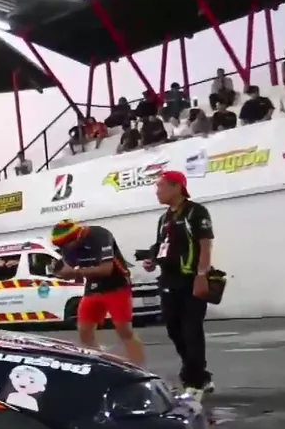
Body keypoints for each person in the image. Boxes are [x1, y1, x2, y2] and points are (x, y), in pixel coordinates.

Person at [143, 171, 215, 399]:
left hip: (191, 280)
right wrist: (152, 261)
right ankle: (200, 375)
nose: (157, 191)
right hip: (168, 280)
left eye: (161, 186)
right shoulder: (164, 218)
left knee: (192, 331)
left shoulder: (196, 212)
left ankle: (193, 383)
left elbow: (205, 245)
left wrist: (202, 274)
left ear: (176, 187)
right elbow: (161, 245)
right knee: (174, 331)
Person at [49, 220, 146, 366]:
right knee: (84, 331)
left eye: (65, 245)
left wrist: (76, 272)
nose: (64, 249)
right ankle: (100, 364)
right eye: (60, 246)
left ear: (77, 236)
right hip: (93, 288)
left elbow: (106, 269)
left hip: (116, 286)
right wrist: (60, 273)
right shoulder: (67, 246)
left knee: (124, 331)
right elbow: (70, 272)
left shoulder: (99, 235)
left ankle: (140, 367)